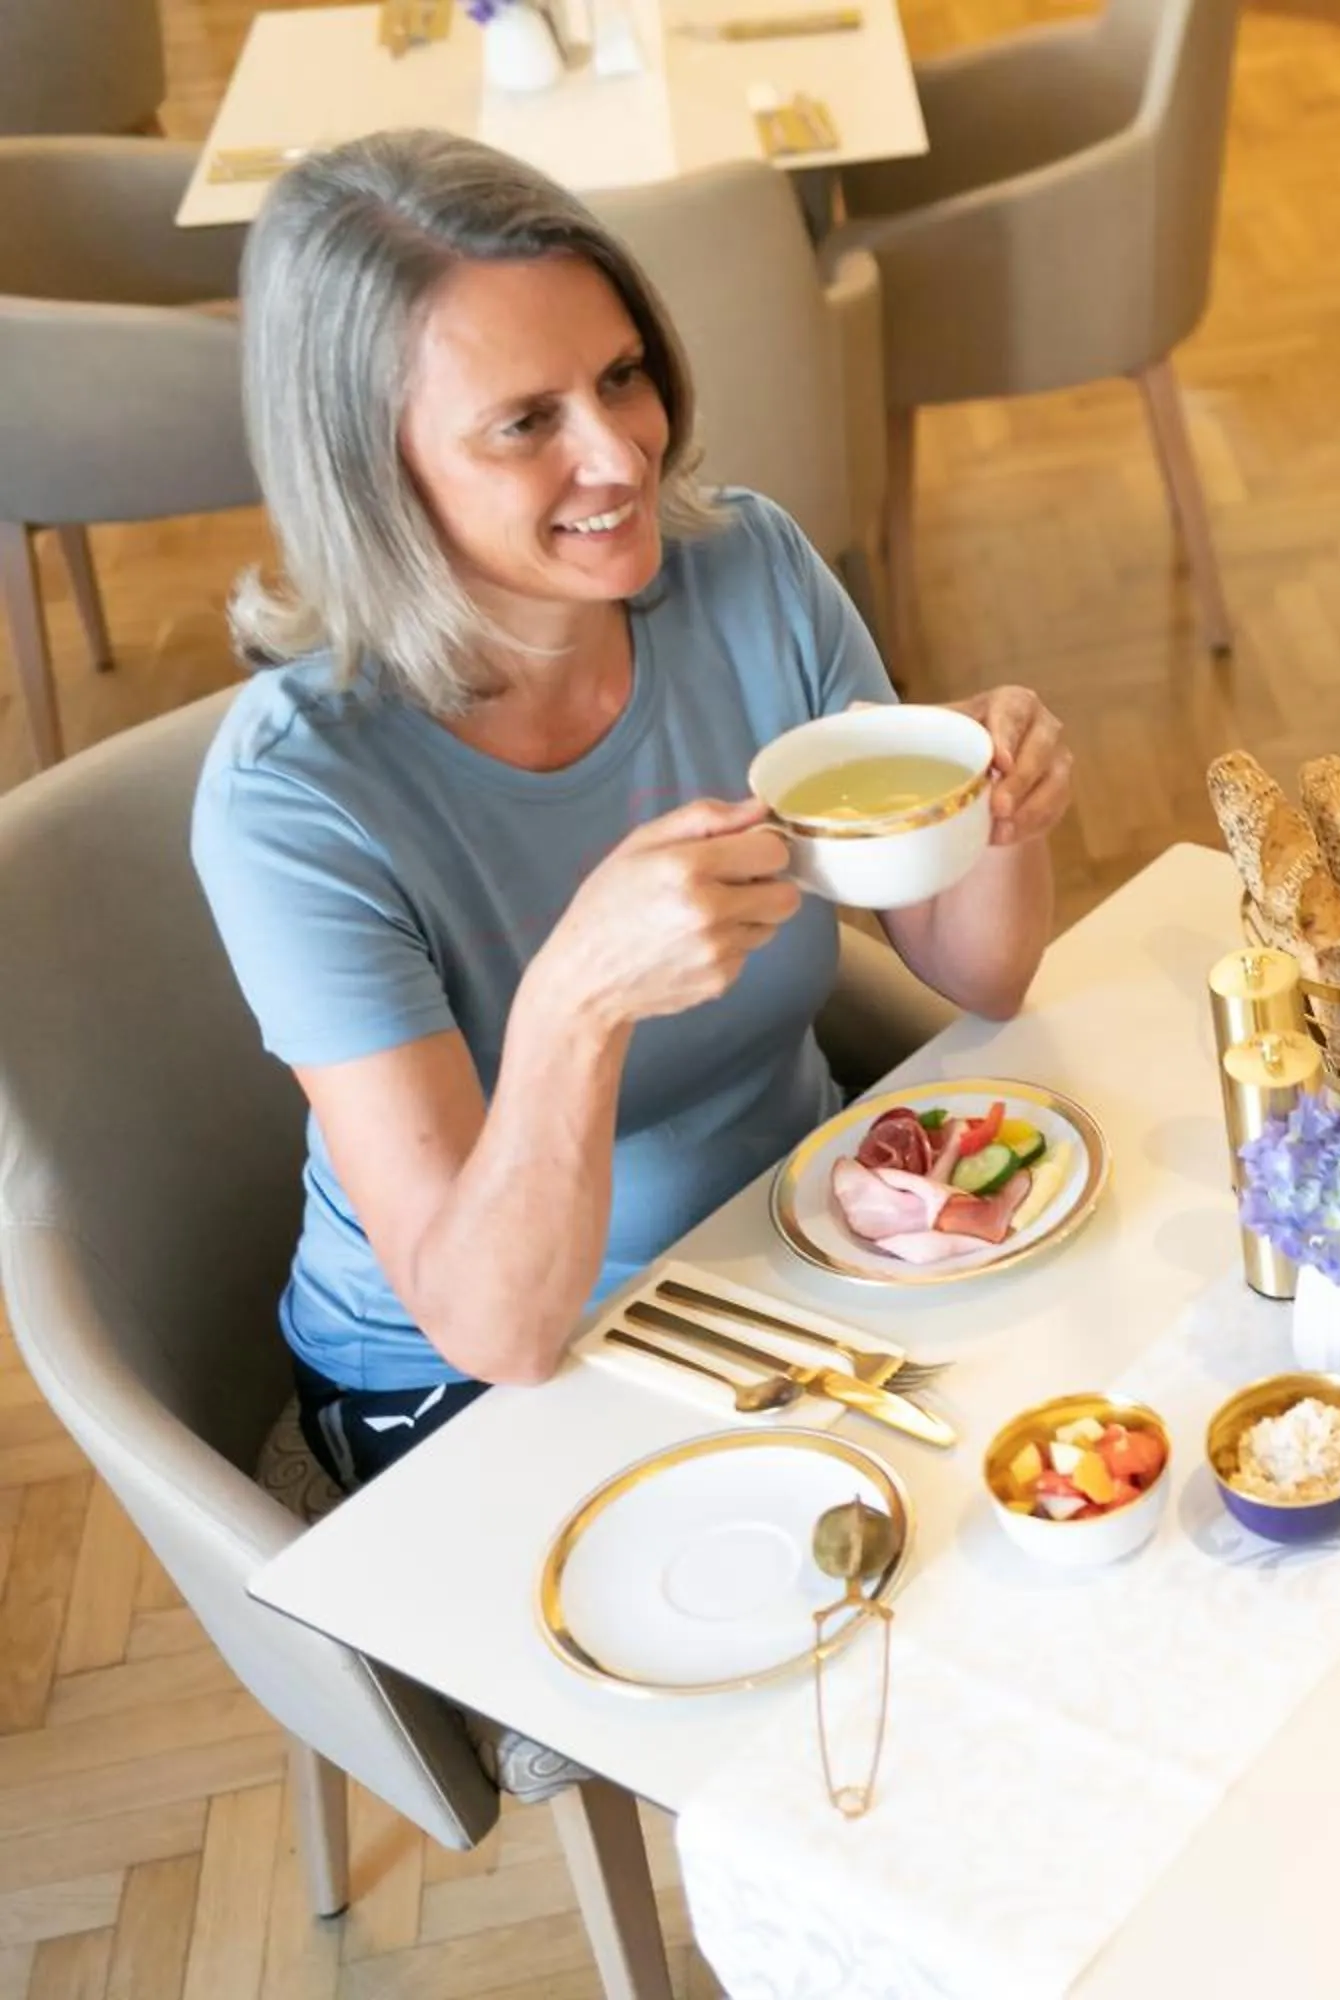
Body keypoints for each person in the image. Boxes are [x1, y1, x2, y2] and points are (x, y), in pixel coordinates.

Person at [191, 131, 1074, 1487]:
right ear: (375, 472)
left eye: (620, 377)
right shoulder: (297, 800)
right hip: (473, 1372)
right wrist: (581, 999)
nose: (621, 455)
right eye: (526, 423)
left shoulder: (751, 568)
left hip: (790, 1241)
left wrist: (996, 812)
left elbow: (981, 967)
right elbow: (499, 1330)